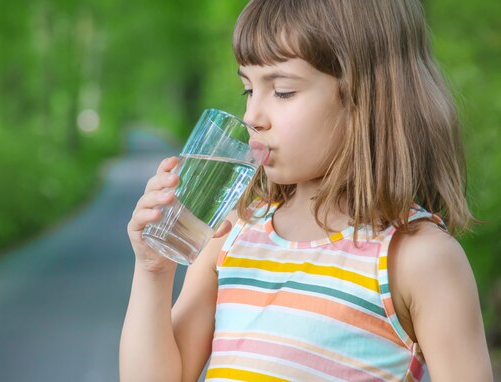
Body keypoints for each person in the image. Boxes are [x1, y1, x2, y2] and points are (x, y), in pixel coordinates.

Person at [120, 0, 494, 380]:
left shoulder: (417, 258)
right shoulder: (233, 232)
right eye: (248, 89)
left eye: (282, 91)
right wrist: (154, 269)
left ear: (366, 97)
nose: (252, 116)